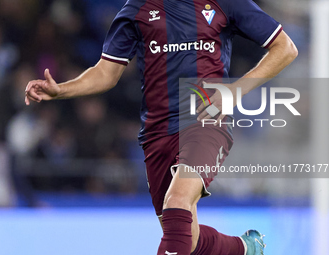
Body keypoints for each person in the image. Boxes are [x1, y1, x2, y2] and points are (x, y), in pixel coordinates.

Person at [25, 0, 298, 254]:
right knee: (184, 238)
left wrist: (234, 92)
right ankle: (245, 248)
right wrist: (61, 90)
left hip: (205, 119)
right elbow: (106, 72)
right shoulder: (137, 9)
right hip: (157, 131)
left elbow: (285, 48)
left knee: (177, 200)